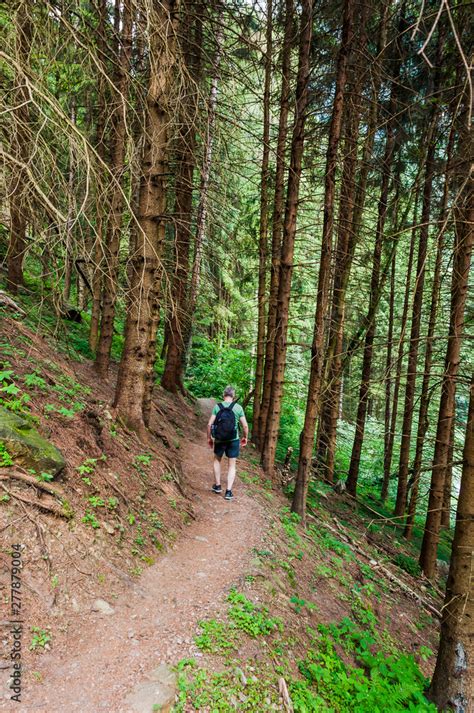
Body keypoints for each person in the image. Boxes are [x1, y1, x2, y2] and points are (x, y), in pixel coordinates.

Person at [207, 386, 248, 500]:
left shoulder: (217, 406)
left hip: (220, 439)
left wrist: (209, 438)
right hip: (233, 439)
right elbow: (245, 425)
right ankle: (228, 492)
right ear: (233, 396)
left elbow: (209, 424)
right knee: (232, 465)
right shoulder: (238, 407)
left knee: (217, 460)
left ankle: (218, 486)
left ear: (223, 395)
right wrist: (245, 437)